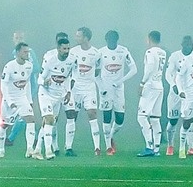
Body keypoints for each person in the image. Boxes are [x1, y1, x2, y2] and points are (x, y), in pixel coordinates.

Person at [95, 31, 138, 155]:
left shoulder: (123, 51)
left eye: (114, 39)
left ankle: (110, 136)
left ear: (117, 40)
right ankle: (108, 146)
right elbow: (95, 73)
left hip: (119, 88)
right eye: (109, 39)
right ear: (106, 39)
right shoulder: (101, 52)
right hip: (106, 89)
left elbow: (134, 69)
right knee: (107, 116)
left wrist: (121, 80)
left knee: (120, 119)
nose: (111, 41)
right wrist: (101, 87)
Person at [64, 27, 100, 156]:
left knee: (92, 113)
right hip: (76, 88)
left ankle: (97, 147)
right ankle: (68, 147)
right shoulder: (73, 52)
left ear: (86, 38)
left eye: (79, 36)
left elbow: (98, 70)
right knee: (72, 115)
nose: (76, 38)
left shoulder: (96, 53)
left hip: (89, 88)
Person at [0, 43, 36, 159]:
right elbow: (3, 85)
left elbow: (27, 83)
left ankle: (30, 149)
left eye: (28, 52)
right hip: (9, 100)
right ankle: (1, 150)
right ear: (18, 52)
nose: (27, 54)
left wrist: (29, 100)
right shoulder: (9, 66)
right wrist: (9, 102)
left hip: (22, 99)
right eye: (25, 52)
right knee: (4, 125)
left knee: (31, 119)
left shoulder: (29, 66)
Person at [38, 34, 71, 159]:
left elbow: (68, 77)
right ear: (58, 48)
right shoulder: (50, 60)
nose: (67, 51)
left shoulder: (71, 61)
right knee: (50, 120)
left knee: (48, 122)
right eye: (64, 49)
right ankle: (48, 151)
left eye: (68, 49)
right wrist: (43, 82)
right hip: (45, 94)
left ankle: (36, 149)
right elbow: (39, 78)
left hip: (58, 96)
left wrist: (68, 92)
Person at [136, 31, 168, 156]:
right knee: (155, 118)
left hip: (150, 86)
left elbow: (149, 67)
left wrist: (142, 83)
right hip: (159, 85)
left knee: (142, 116)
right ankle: (157, 148)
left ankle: (149, 146)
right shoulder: (163, 52)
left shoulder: (150, 52)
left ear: (149, 38)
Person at [165, 34, 193, 157]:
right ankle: (170, 145)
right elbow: (168, 73)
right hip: (175, 93)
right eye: (186, 44)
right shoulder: (175, 56)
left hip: (189, 93)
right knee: (173, 120)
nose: (188, 47)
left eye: (190, 44)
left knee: (190, 119)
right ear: (182, 45)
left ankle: (190, 147)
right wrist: (173, 85)